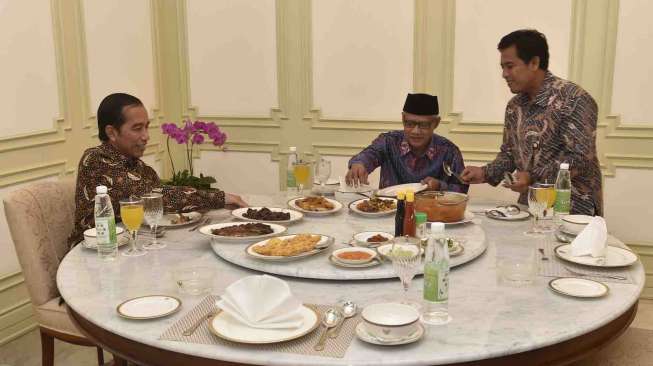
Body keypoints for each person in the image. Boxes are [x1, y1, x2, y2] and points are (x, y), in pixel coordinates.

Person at [68, 93, 247, 245]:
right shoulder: (97, 160)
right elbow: (154, 197)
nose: (146, 136)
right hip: (96, 252)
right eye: (137, 129)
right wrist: (220, 197)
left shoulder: (136, 164)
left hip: (128, 245)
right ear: (112, 133)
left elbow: (159, 206)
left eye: (146, 127)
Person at [460, 29, 603, 216]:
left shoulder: (574, 99)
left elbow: (580, 158)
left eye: (510, 66)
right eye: (502, 67)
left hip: (573, 210)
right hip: (531, 208)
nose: (504, 74)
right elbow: (510, 154)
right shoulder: (515, 106)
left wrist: (532, 176)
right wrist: (484, 173)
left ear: (534, 63)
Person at [346, 93, 468, 193]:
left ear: (435, 123)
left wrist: (439, 186)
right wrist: (359, 164)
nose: (415, 131)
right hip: (389, 212)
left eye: (423, 125)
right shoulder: (389, 142)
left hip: (433, 215)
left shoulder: (449, 151)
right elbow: (370, 154)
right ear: (403, 119)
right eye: (409, 124)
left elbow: (462, 189)